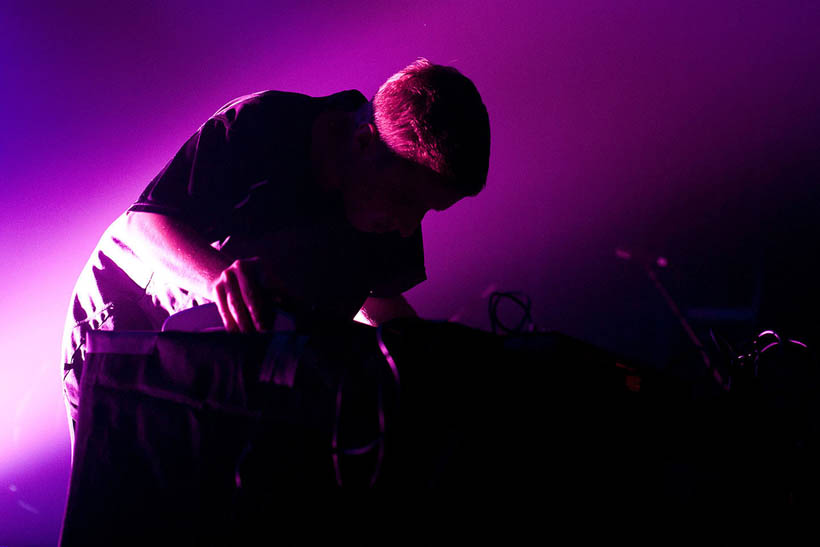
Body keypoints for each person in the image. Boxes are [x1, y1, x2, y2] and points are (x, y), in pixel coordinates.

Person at [60, 57, 491, 444]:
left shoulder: (392, 203)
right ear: (363, 142)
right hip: (126, 326)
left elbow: (381, 305)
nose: (408, 224)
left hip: (221, 361)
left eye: (427, 210)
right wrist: (221, 281)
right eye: (405, 200)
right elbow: (143, 225)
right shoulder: (262, 125)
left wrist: (435, 361)